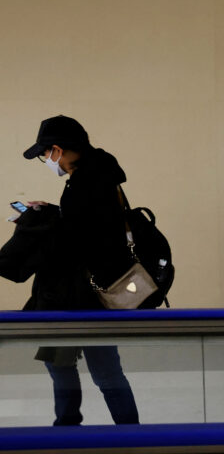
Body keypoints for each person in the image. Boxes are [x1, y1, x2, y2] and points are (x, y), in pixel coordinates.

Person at [10, 116, 140, 425]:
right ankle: (126, 431)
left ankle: (73, 427)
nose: (46, 160)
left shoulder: (86, 181)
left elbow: (76, 240)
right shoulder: (100, 174)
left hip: (79, 293)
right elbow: (87, 226)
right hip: (93, 288)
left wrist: (34, 224)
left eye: (45, 154)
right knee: (93, 367)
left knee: (76, 366)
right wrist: (53, 212)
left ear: (57, 150)